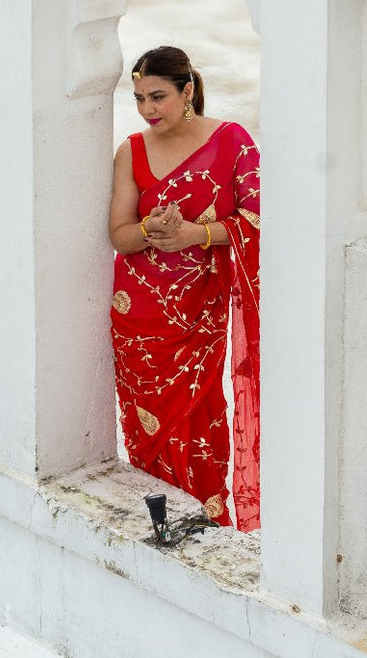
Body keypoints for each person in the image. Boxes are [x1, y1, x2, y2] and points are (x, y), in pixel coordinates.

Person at [107, 46, 261, 531]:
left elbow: (259, 220)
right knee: (146, 426)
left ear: (187, 90)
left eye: (158, 97)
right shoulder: (131, 150)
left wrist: (196, 234)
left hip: (199, 312)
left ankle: (203, 520)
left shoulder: (232, 142)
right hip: (138, 315)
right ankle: (156, 516)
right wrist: (151, 228)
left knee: (199, 415)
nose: (148, 109)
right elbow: (119, 235)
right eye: (139, 99)